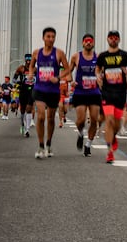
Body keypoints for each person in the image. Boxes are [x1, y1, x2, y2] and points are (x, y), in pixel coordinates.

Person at [97, 31, 127, 164]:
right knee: (109, 120)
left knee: (117, 124)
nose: (113, 40)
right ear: (107, 39)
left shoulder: (124, 55)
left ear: (119, 40)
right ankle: (110, 152)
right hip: (107, 92)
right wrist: (98, 77)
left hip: (120, 93)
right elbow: (97, 69)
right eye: (111, 38)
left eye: (115, 38)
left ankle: (113, 138)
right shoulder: (102, 56)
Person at [30, 28, 67, 159]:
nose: (51, 39)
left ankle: (49, 143)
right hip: (39, 89)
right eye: (48, 36)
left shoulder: (59, 53)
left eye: (53, 37)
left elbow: (67, 70)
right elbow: (31, 65)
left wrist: (58, 78)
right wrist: (30, 74)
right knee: (40, 116)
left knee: (50, 118)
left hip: (53, 90)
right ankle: (40, 146)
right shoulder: (36, 53)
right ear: (43, 38)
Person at [69, 33, 104, 156]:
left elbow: (102, 71)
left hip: (94, 92)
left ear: (93, 43)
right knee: (81, 120)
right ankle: (80, 133)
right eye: (86, 41)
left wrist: (100, 78)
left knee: (94, 120)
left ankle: (88, 144)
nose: (88, 43)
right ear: (83, 43)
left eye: (90, 41)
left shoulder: (98, 57)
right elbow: (69, 71)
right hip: (80, 92)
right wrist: (71, 81)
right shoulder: (76, 57)